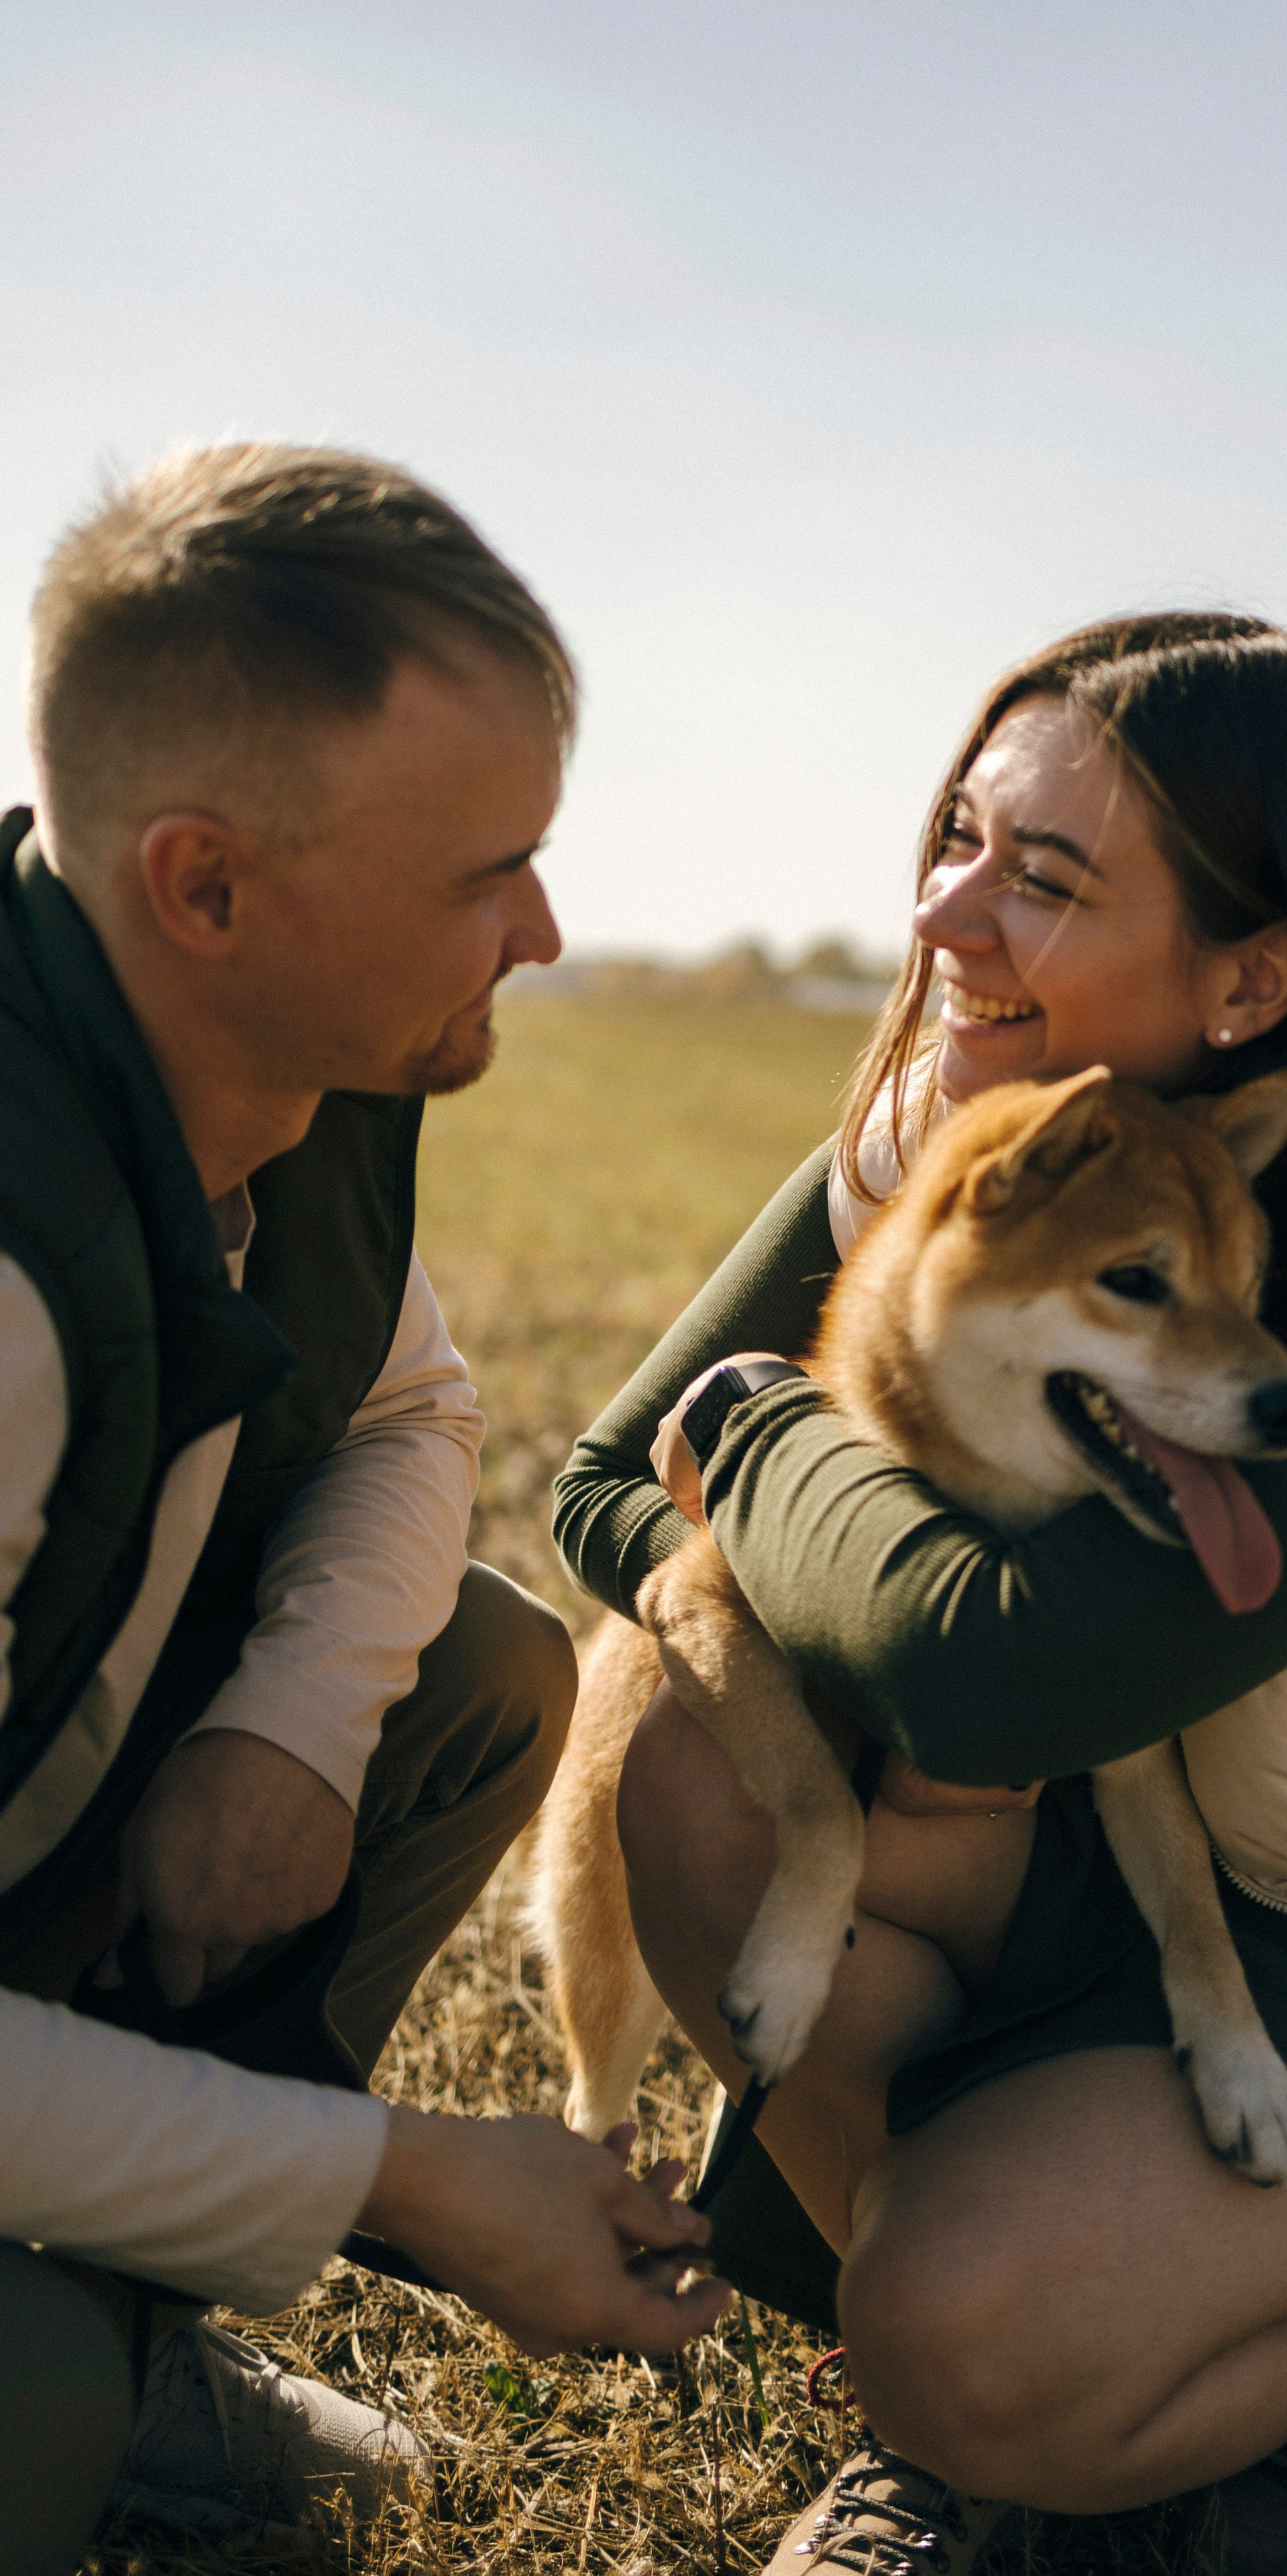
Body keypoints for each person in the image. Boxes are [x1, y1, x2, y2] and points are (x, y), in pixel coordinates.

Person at [557, 614, 1287, 2576]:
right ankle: (979, 2429)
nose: (943, 916)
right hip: (1113, 1855)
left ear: (1255, 977)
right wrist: (739, 1469)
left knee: (969, 2325)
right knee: (690, 1752)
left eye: (1043, 876)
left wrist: (751, 1433)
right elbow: (600, 1486)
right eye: (957, 839)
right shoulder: (965, 1140)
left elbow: (1007, 1679)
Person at [0, 444, 726, 2576]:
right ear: (207, 888)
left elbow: (410, 1404)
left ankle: (124, 2319)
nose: (545, 935)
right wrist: (398, 2177)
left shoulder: (263, 1069)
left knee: (472, 1667)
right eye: (487, 874)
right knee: (29, 2419)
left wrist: (290, 1721)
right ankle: (79, 2363)